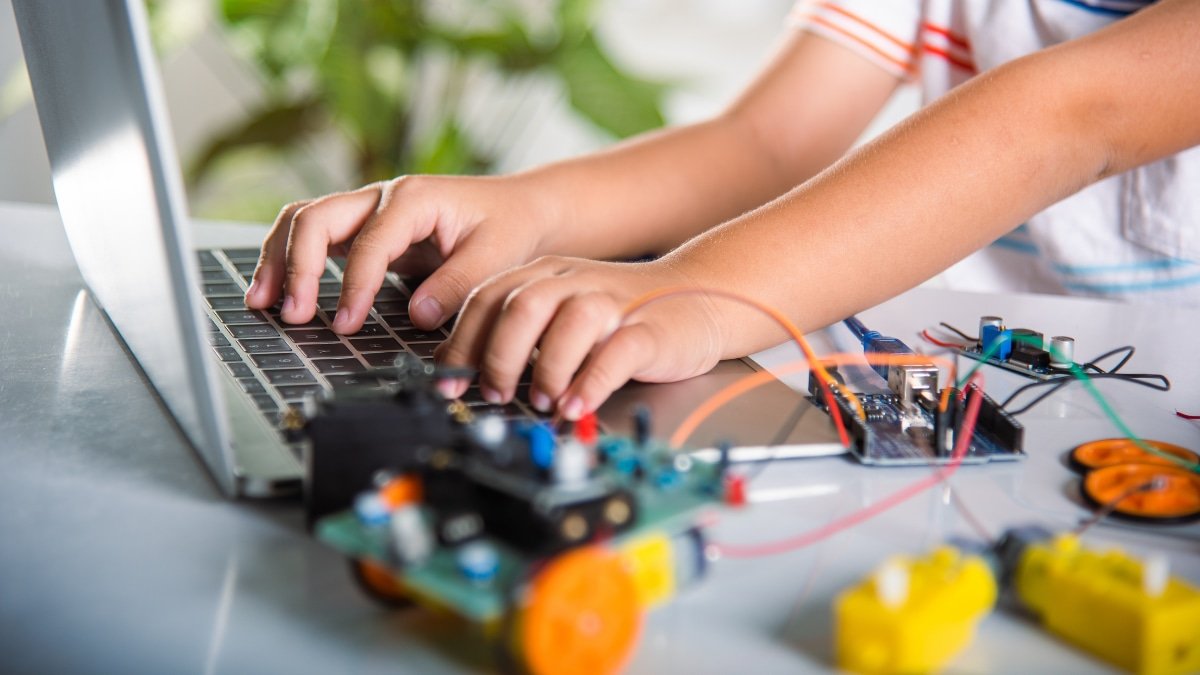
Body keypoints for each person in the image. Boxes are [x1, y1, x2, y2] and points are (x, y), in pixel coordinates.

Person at [244, 0, 1200, 421]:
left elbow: (1074, 115)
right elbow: (769, 142)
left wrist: (694, 291)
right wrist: (525, 207)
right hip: (959, 399)